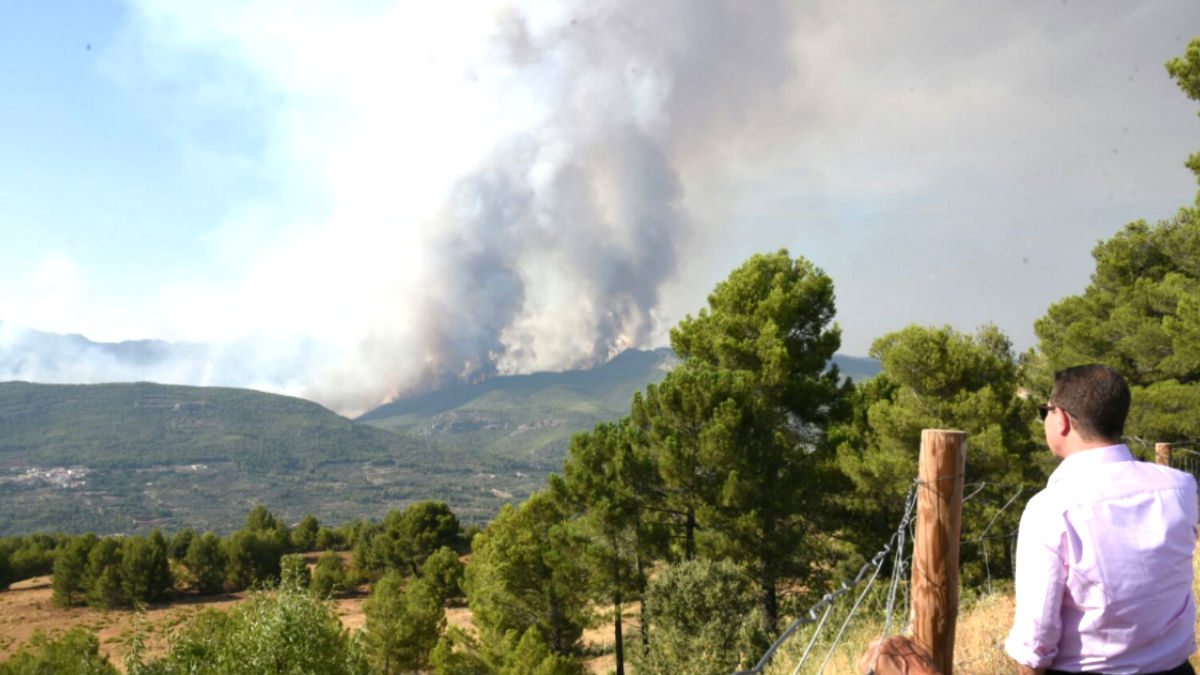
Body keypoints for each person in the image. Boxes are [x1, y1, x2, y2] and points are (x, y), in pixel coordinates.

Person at [1005, 364, 1198, 675]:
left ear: (1062, 420)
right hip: (1176, 669)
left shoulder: (1050, 509)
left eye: (1046, 411)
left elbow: (1036, 640)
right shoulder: (1181, 488)